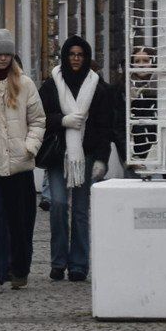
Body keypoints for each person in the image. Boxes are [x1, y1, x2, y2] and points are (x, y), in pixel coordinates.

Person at [37, 35, 121, 282]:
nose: (75, 59)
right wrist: (62, 121)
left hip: (87, 154)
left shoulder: (99, 87)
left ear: (86, 58)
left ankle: (79, 264)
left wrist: (102, 159)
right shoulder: (51, 85)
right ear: (64, 57)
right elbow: (40, 118)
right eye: (72, 54)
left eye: (80, 55)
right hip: (57, 155)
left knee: (81, 211)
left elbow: (106, 126)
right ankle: (58, 260)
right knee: (59, 205)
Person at [0, 29, 44, 290]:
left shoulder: (25, 84)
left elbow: (38, 120)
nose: (3, 58)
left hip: (20, 165)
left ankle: (19, 268)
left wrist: (30, 146)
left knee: (21, 222)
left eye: (7, 53)